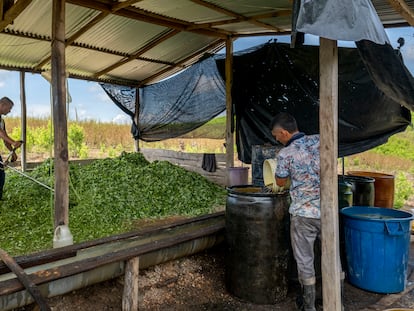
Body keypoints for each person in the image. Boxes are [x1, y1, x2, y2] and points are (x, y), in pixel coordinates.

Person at [271, 112, 320, 311]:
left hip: (303, 215)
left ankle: (309, 307)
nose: (276, 139)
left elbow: (280, 181)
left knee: (305, 260)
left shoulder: (285, 154)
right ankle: (337, 301)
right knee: (332, 255)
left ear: (283, 133)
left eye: (276, 136)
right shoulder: (319, 140)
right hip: (328, 210)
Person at [0, 97, 22, 200]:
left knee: (1, 176)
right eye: (9, 108)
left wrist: (12, 152)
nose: (9, 111)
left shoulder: (2, 121)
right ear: (2, 105)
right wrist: (13, 142)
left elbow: (4, 137)